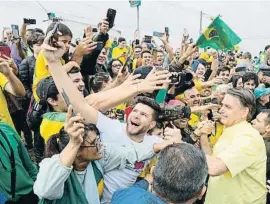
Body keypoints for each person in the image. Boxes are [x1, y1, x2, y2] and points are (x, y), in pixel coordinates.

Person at [34, 106, 175, 204]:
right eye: (94, 142)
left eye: (99, 139)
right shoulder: (52, 167)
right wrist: (73, 143)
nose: (101, 144)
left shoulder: (98, 160)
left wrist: (161, 145)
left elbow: (130, 153)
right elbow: (46, 190)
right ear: (77, 151)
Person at [197, 88, 267, 204]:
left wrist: (183, 145)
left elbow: (215, 168)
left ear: (244, 112)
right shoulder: (231, 129)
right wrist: (203, 136)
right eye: (222, 105)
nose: (222, 110)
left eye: (228, 107)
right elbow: (211, 159)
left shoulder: (248, 138)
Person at [111, 143, 208, 204]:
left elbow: (133, 190)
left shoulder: (124, 195)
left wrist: (145, 181)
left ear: (153, 172)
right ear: (201, 192)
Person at [0, 121, 38, 203]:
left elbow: (27, 162)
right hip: (8, 199)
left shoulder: (6, 128)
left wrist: (37, 182)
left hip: (30, 190)